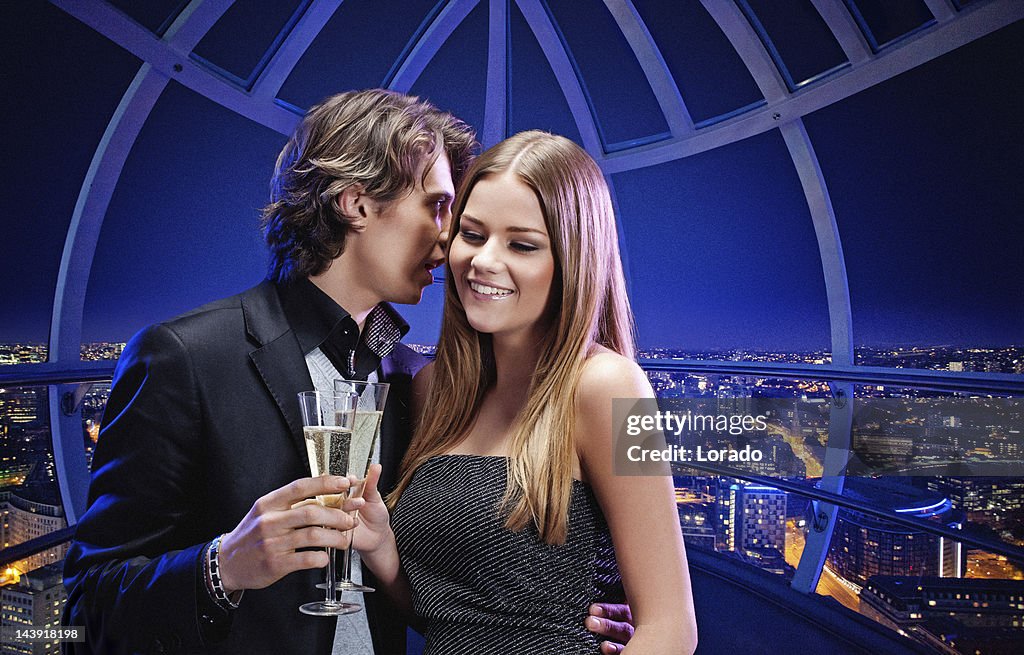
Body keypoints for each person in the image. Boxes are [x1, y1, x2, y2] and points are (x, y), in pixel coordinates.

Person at [63, 90, 631, 655]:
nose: (450, 241)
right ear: (356, 204)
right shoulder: (185, 358)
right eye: (438, 208)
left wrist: (555, 622)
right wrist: (221, 567)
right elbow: (84, 612)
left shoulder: (418, 380)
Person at [354, 131, 698, 654]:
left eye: (522, 244)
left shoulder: (610, 387)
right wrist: (381, 548)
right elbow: (447, 616)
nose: (484, 261)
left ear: (573, 261)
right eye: (471, 234)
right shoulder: (435, 391)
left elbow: (671, 629)